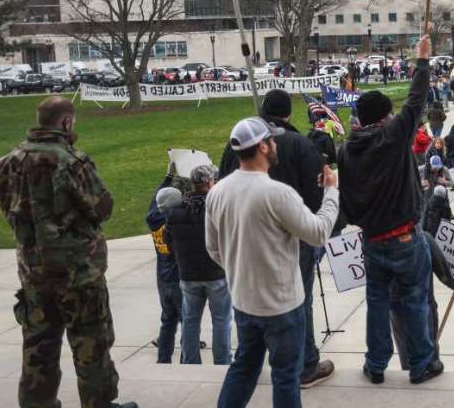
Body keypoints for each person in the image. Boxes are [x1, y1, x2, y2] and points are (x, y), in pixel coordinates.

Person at [0, 97, 138, 408]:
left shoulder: (6, 164)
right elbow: (102, 207)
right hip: (78, 273)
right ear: (66, 122)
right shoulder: (72, 162)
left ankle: (36, 402)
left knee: (38, 344)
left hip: (33, 273)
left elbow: (9, 210)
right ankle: (99, 403)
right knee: (91, 343)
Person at [206, 118, 340, 408]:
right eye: (272, 140)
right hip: (281, 305)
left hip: (244, 301)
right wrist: (331, 191)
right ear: (263, 146)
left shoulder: (217, 192)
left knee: (244, 367)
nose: (276, 144)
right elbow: (318, 233)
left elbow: (213, 249)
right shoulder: (277, 193)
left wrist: (240, 270)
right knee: (286, 376)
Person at [337, 32, 445, 385]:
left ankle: (377, 364)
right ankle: (421, 364)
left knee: (377, 304)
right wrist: (423, 60)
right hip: (403, 238)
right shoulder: (392, 137)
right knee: (414, 302)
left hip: (371, 240)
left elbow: (346, 201)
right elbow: (416, 102)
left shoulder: (346, 150)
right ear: (385, 117)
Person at [165, 165, 232, 366]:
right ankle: (222, 361)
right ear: (209, 182)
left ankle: (190, 360)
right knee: (221, 321)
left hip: (188, 275)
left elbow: (168, 241)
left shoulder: (175, 212)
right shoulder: (216, 208)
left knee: (190, 320)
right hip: (215, 274)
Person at [389, 231, 454, 370]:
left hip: (396, 304)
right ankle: (429, 368)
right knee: (428, 344)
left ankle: (410, 369)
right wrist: (453, 283)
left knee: (404, 345)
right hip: (423, 303)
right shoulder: (424, 238)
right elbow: (441, 267)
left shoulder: (382, 241)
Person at [145, 182, 184, 364]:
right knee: (188, 322)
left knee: (167, 321)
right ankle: (187, 360)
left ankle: (163, 360)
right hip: (178, 279)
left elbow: (156, 200)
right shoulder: (176, 224)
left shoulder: (154, 220)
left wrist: (168, 178)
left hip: (163, 279)